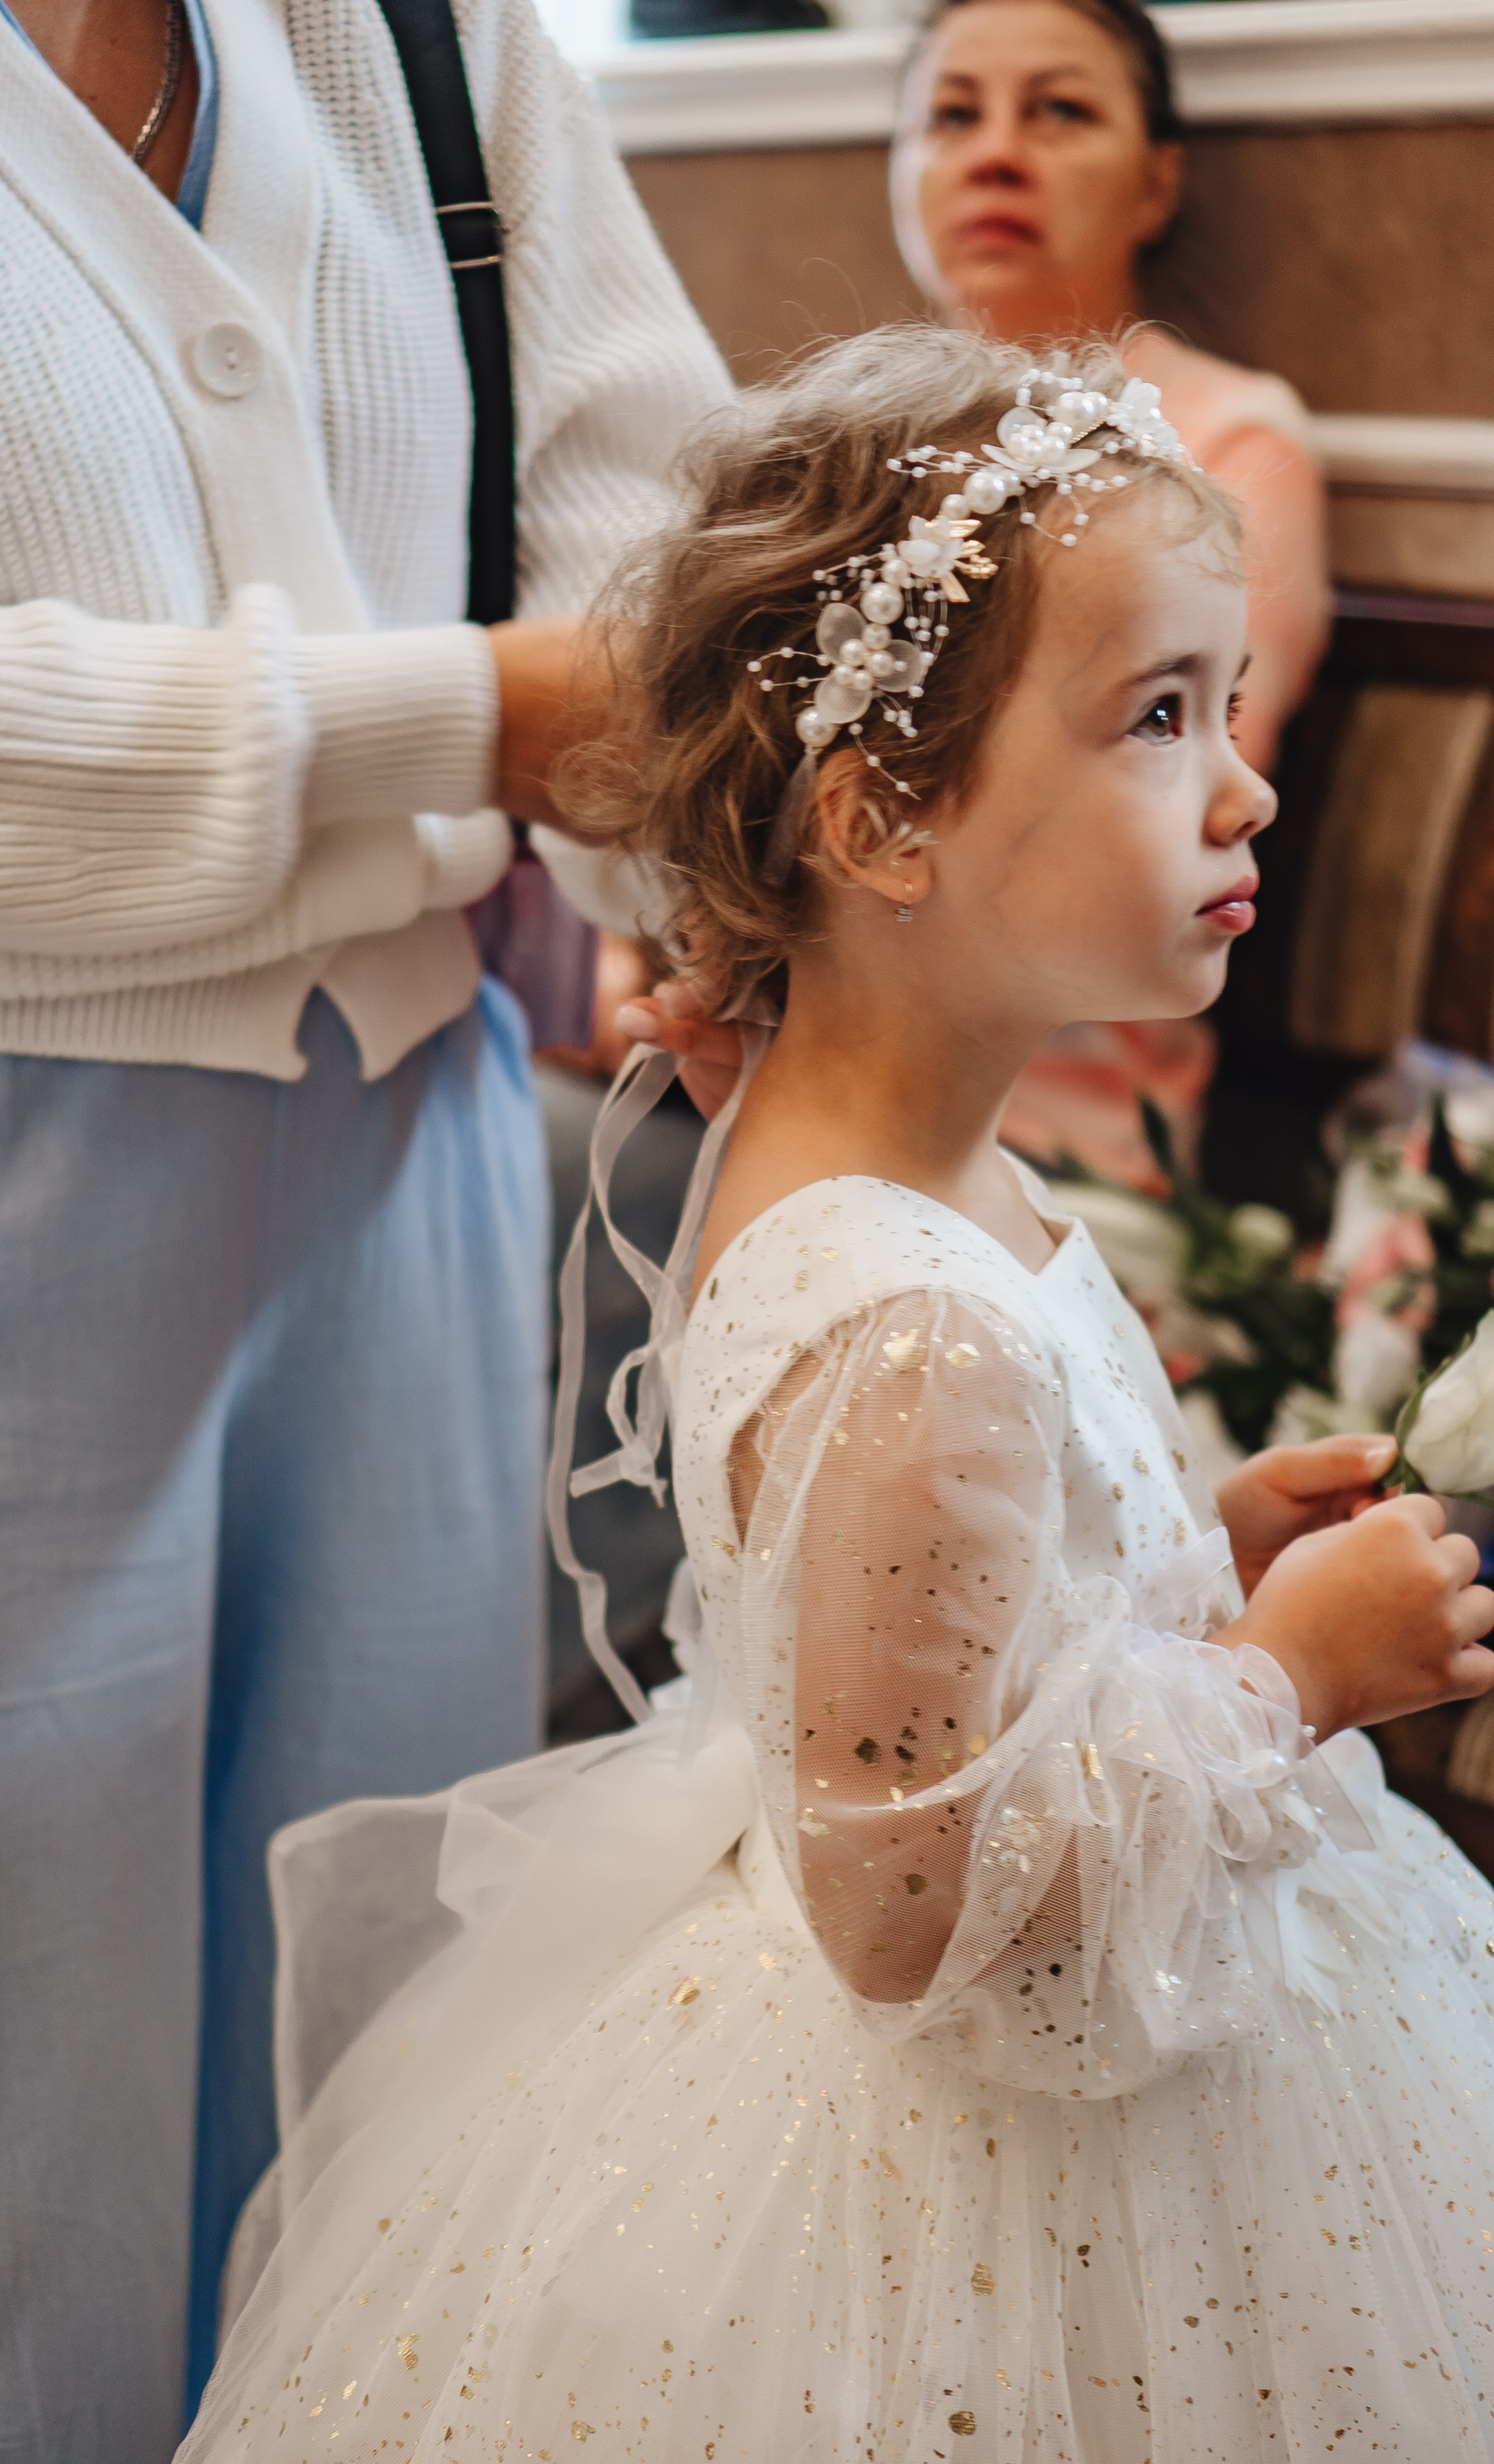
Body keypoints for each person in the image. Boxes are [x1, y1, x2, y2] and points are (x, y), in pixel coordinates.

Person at [177, 330, 1494, 2461]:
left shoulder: (903, 1152)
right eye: (1163, 716)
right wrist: (1279, 1678)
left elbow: (924, 1649)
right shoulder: (913, 1325)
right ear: (887, 813)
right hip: (983, 2186)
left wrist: (1186, 1565)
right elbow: (912, 1905)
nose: (1247, 785)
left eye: (1227, 705)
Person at [0, 1, 727, 2454]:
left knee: (377, 2050)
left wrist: (717, 906)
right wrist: (442, 723)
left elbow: (651, 527)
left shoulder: (434, 33)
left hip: (410, 1136)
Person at [885, 0, 1329, 1185]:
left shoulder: (1233, 438)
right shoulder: (852, 450)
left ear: (1156, 181)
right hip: (777, 1060)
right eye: (950, 114)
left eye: (1060, 111)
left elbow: (1158, 794)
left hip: (1056, 1132)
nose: (994, 152)